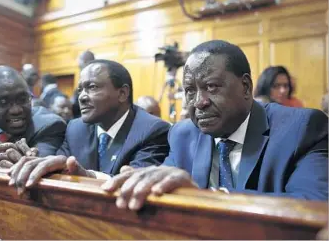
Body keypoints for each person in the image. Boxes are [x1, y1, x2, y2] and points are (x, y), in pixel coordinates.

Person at [99, 40, 328, 211]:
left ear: (246, 87)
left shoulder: (303, 128)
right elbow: (164, 188)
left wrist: (209, 196)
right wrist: (94, 179)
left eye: (212, 86)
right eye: (189, 91)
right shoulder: (183, 135)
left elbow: (315, 207)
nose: (199, 102)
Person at [7, 59, 171, 194]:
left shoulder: (153, 130)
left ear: (122, 93)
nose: (82, 97)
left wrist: (89, 176)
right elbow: (59, 169)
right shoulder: (75, 128)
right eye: (80, 90)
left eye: (92, 87)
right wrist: (34, 163)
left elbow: (136, 183)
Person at [0, 66, 66, 167]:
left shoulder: (49, 126)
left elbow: (38, 164)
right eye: (3, 102)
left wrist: (26, 163)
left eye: (23, 99)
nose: (16, 110)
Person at [71, 50, 95, 118]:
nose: (78, 63)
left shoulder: (92, 77)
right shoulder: (83, 77)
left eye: (79, 60)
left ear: (85, 61)